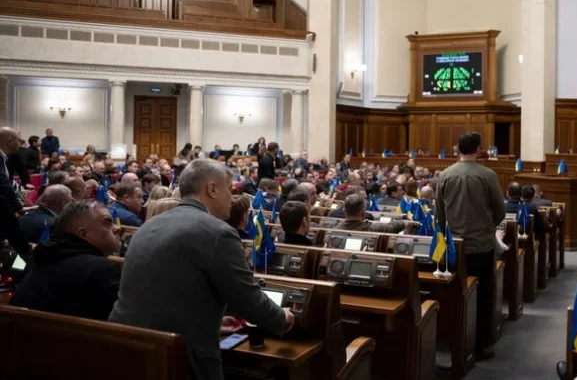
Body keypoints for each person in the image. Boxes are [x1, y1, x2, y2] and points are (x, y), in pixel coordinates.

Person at [110, 159, 292, 380]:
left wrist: (212, 320)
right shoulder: (217, 232)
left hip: (128, 349)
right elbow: (248, 299)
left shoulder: (149, 226)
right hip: (180, 359)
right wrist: (282, 318)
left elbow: (167, 293)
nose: (232, 198)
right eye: (229, 189)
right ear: (212, 189)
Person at [435, 132, 505, 360]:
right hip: (481, 245)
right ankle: (481, 344)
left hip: (454, 246)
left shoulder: (445, 175)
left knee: (455, 293)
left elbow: (439, 214)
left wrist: (445, 238)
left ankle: (453, 339)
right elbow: (500, 210)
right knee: (483, 295)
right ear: (478, 149)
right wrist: (488, 226)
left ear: (457, 149)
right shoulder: (488, 175)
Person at [10, 200, 121, 320]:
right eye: (108, 223)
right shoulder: (99, 270)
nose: (117, 228)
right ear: (83, 235)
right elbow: (119, 323)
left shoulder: (42, 257)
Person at [0, 126, 31, 256]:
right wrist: (18, 207)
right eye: (19, 140)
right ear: (9, 141)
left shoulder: (5, 158)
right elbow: (4, 185)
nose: (20, 144)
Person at [334, 194, 406, 234]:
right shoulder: (375, 229)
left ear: (344, 211)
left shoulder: (334, 231)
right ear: (363, 212)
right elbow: (396, 226)